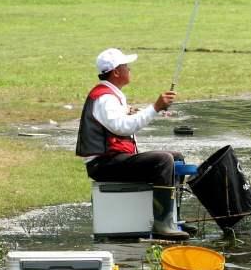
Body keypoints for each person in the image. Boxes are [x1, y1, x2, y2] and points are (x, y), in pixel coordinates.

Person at [76, 48, 188, 240]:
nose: (129, 70)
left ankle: (172, 219)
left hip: (113, 160)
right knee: (163, 160)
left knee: (176, 157)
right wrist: (155, 108)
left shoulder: (111, 95)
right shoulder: (105, 98)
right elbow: (123, 127)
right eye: (126, 66)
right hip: (103, 165)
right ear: (116, 72)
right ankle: (162, 224)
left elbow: (120, 121)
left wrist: (134, 110)